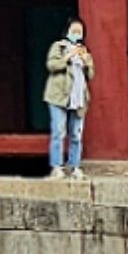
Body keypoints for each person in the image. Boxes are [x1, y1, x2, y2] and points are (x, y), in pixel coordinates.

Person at [44, 20, 96, 179]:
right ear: (67, 31)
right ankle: (56, 167)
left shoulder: (84, 51)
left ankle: (74, 167)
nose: (76, 34)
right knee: (59, 131)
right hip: (59, 96)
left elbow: (91, 75)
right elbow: (51, 65)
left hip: (78, 97)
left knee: (76, 135)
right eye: (74, 30)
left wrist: (86, 61)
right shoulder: (58, 46)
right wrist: (67, 56)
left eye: (79, 32)